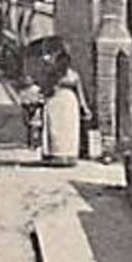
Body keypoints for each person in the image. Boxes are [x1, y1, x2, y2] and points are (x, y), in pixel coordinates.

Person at [36, 37, 89, 166]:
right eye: (60, 61)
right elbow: (45, 88)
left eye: (65, 61)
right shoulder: (53, 74)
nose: (63, 63)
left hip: (69, 103)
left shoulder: (74, 75)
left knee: (68, 129)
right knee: (55, 128)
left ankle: (68, 156)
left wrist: (84, 107)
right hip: (56, 101)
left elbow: (80, 92)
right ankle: (55, 155)